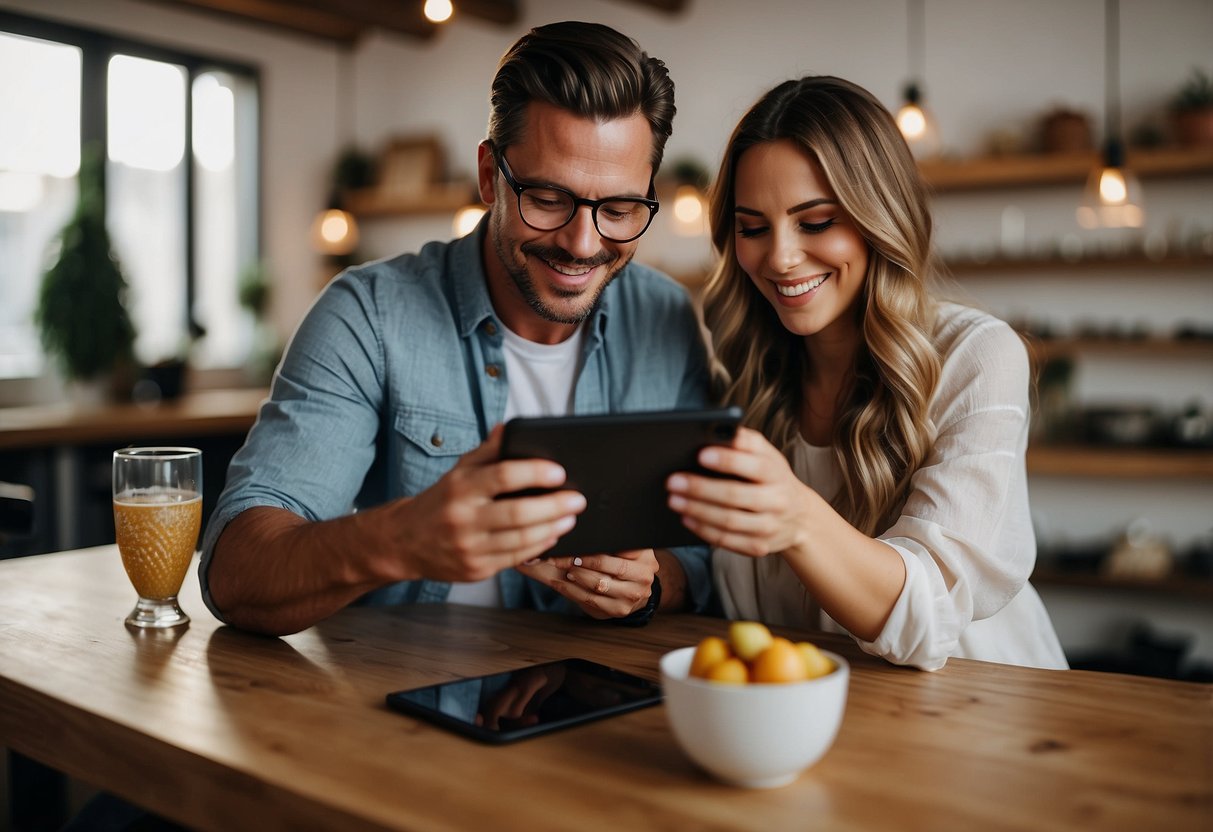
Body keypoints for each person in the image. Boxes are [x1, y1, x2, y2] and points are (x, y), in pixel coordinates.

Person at [200, 21, 713, 636]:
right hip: (385, 712)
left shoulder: (666, 317)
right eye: (548, 198)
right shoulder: (367, 315)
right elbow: (236, 574)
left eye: (620, 209)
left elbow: (701, 555)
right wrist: (402, 538)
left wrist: (654, 582)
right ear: (491, 175)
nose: (584, 243)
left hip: (593, 708)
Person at [666, 76, 1067, 671]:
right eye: (753, 227)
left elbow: (929, 617)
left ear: (880, 217)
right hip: (818, 715)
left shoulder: (975, 355)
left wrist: (796, 516)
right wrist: (659, 575)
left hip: (987, 715)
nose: (779, 257)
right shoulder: (742, 369)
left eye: (817, 221)